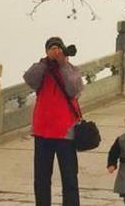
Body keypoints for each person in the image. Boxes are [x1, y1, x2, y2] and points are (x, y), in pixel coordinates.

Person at [23, 37, 84, 206]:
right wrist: (45, 63)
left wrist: (63, 64)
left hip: (65, 131)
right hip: (42, 131)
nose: (55, 51)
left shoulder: (71, 70)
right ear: (46, 51)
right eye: (52, 48)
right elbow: (29, 79)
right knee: (41, 178)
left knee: (69, 177)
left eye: (58, 48)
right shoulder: (41, 69)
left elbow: (74, 90)